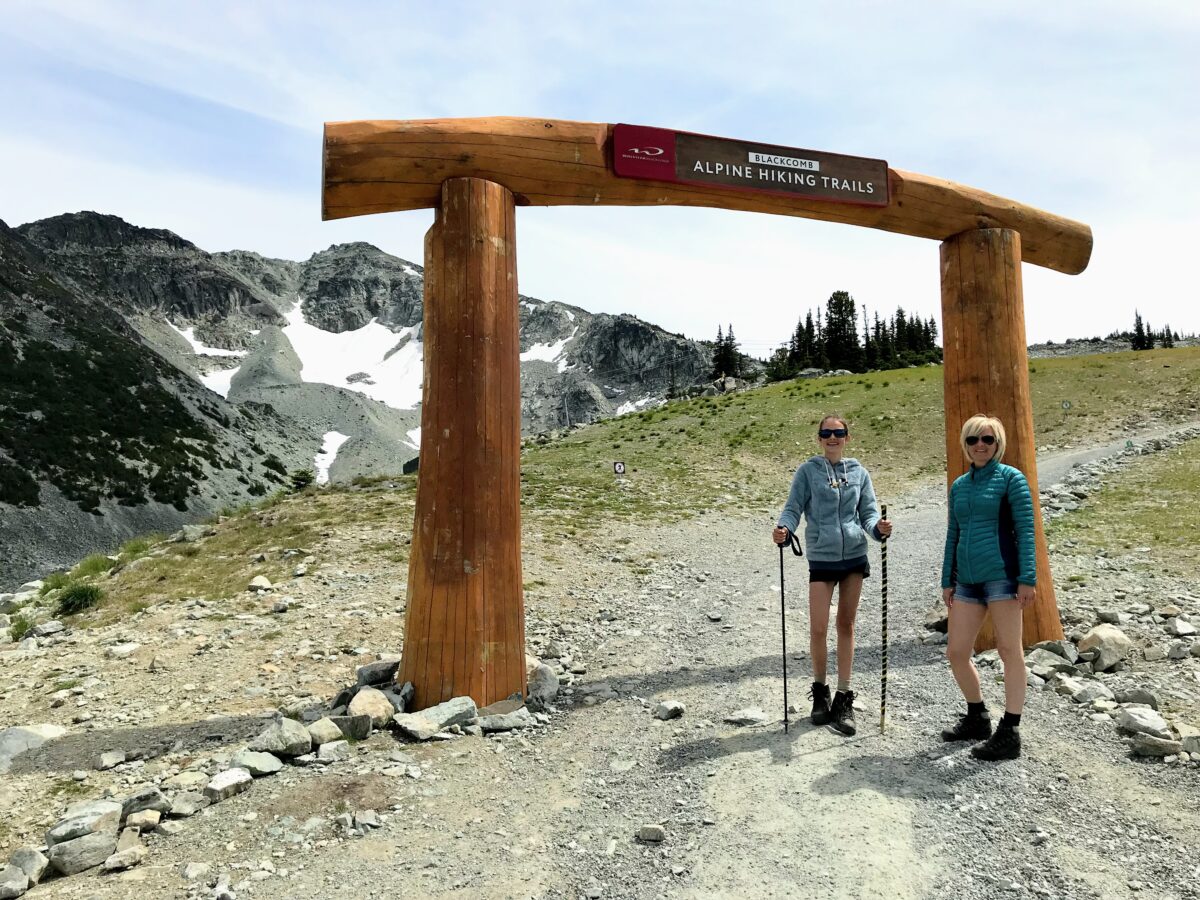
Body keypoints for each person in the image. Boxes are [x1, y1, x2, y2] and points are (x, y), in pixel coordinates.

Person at [772, 414, 893, 736]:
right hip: (822, 558)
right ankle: (820, 691)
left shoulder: (859, 472)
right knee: (817, 627)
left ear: (847, 438)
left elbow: (868, 513)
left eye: (838, 433)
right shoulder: (807, 471)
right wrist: (784, 528)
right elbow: (793, 507)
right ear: (819, 438)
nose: (832, 437)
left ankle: (843, 695)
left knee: (846, 625)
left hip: (854, 555)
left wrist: (878, 531)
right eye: (826, 433)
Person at [940, 413, 1037, 761]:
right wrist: (946, 579)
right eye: (973, 440)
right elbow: (954, 533)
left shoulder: (1012, 479)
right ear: (965, 444)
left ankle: (1010, 731)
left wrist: (1028, 578)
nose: (980, 445)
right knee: (956, 653)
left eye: (988, 439)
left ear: (998, 444)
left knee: (1010, 651)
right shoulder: (959, 485)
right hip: (966, 582)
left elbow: (1026, 530)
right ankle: (978, 716)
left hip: (1003, 578)